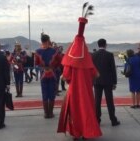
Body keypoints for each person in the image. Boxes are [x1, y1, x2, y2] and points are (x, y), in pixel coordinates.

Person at [57, 6, 102, 139]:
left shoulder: (70, 62)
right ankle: (86, 133)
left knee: (75, 111)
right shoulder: (88, 60)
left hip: (74, 91)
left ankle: (76, 133)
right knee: (87, 110)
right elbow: (96, 74)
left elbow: (66, 77)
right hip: (87, 91)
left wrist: (68, 78)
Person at [92, 38, 120, 126]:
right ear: (105, 45)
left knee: (97, 101)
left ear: (98, 45)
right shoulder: (109, 55)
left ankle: (97, 120)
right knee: (110, 101)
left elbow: (91, 69)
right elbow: (113, 70)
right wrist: (114, 82)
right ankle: (113, 120)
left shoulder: (93, 55)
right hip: (108, 82)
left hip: (97, 81)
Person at [35, 33, 59, 118]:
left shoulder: (37, 51)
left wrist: (44, 68)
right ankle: (51, 113)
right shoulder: (54, 51)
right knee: (52, 93)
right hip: (52, 74)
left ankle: (46, 113)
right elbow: (58, 63)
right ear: (48, 40)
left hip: (43, 74)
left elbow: (36, 64)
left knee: (44, 93)